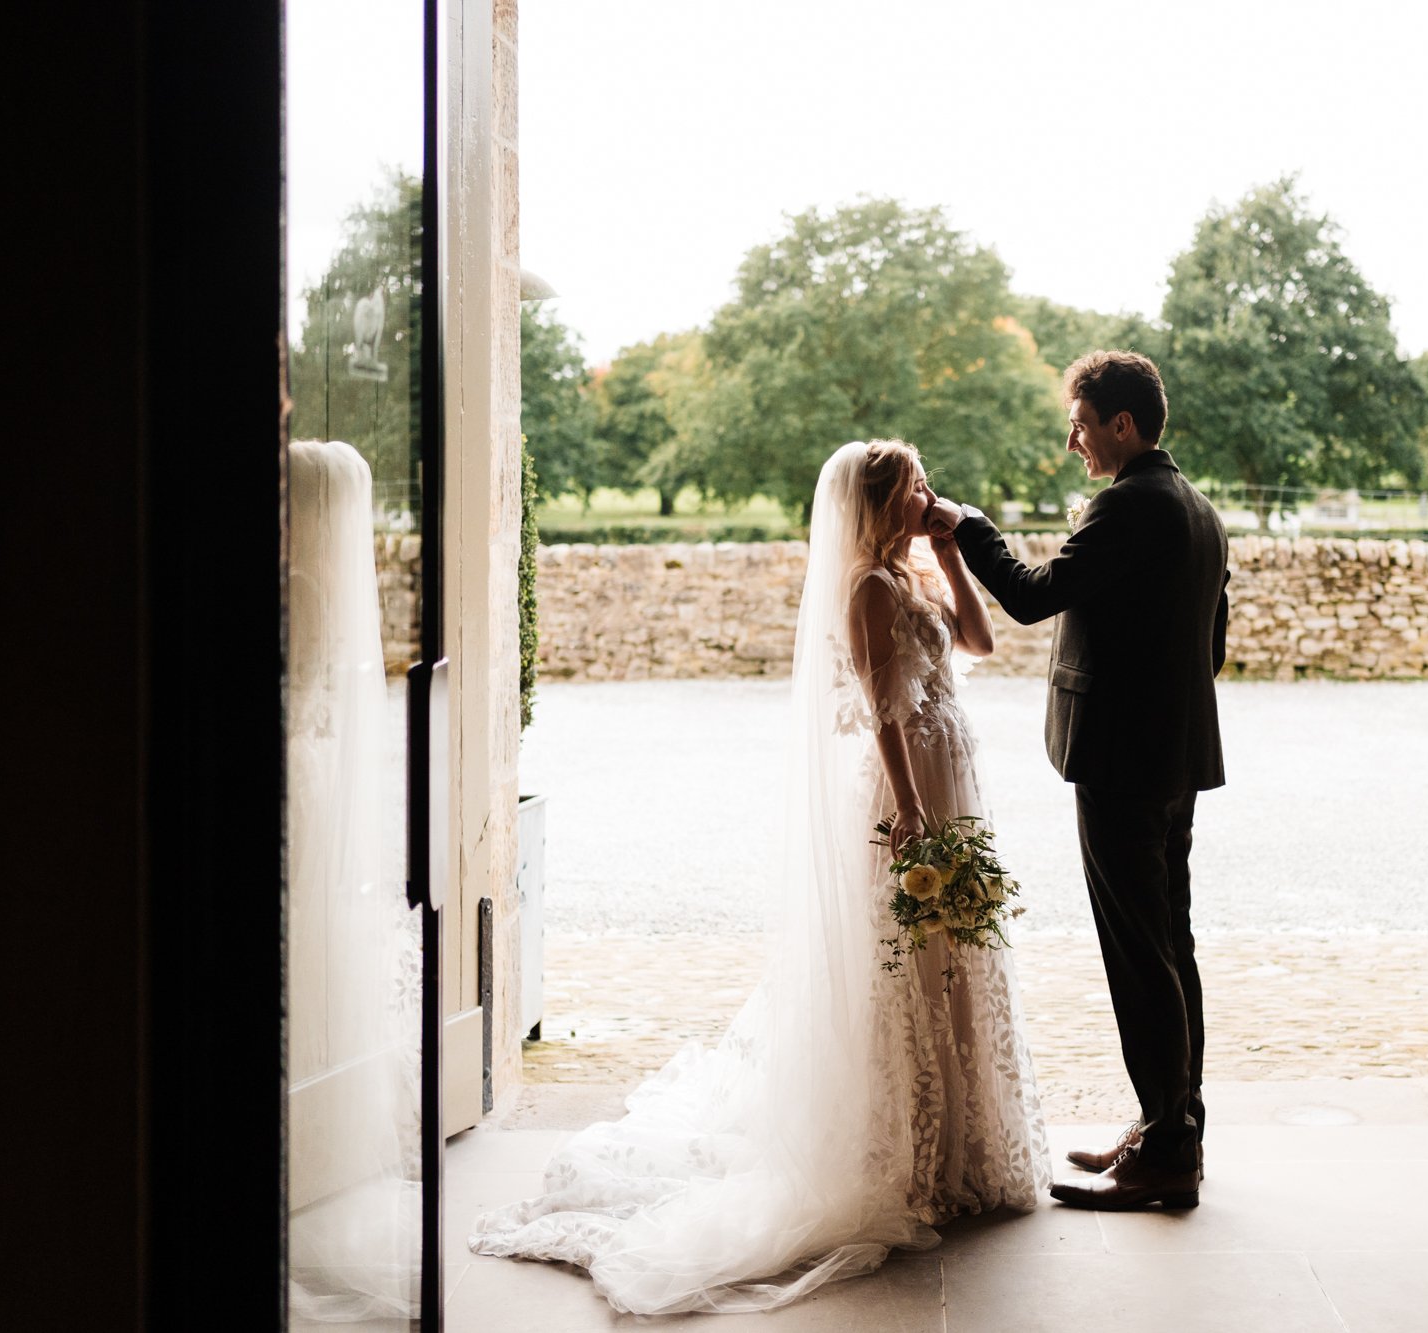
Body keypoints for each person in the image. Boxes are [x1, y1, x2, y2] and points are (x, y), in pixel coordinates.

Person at [468, 439, 1052, 1315]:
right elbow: (886, 712)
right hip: (911, 789)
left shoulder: (918, 573)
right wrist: (913, 814)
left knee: (957, 956)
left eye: (930, 481)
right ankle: (915, 1150)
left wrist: (949, 552)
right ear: (878, 501)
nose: (929, 494)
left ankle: (969, 1141)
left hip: (953, 773)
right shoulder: (865, 587)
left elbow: (980, 641)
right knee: (903, 957)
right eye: (914, 488)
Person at [927, 350, 1227, 1212]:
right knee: (1171, 945)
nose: (1073, 441)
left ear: (1121, 426)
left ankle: (1167, 1153)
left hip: (1123, 763)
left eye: (1081, 424)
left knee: (1141, 956)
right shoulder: (1198, 510)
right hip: (1175, 760)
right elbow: (1211, 646)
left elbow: (1028, 596)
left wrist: (967, 523)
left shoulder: (1129, 506)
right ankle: (1172, 1121)